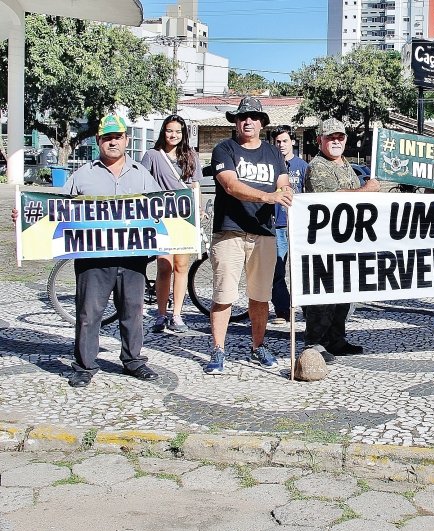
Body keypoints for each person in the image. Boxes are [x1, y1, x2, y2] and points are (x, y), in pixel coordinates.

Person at [60, 114, 162, 387]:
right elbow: (56, 209)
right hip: (92, 260)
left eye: (117, 137)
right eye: (107, 138)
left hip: (132, 259)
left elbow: (161, 210)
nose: (113, 142)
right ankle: (84, 366)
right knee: (88, 313)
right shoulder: (82, 175)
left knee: (133, 311)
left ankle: (133, 360)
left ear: (126, 140)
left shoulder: (142, 174)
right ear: (98, 141)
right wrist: (25, 216)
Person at [205, 97, 292, 375]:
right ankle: (218, 349)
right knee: (224, 295)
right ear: (236, 122)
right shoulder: (224, 149)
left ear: (262, 123)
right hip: (229, 231)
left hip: (264, 232)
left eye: (254, 117)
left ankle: (258, 346)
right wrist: (268, 196)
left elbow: (283, 183)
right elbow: (230, 185)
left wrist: (286, 193)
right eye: (242, 117)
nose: (248, 121)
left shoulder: (273, 152)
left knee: (260, 296)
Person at [302, 118, 380, 364]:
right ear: (320, 140)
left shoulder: (346, 165)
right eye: (330, 137)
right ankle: (315, 343)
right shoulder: (318, 166)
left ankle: (336, 338)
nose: (336, 141)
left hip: (347, 243)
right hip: (324, 244)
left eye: (340, 137)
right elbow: (332, 197)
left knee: (343, 293)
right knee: (322, 297)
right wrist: (367, 190)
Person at [139, 114, 202, 334]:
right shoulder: (152, 155)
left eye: (177, 131)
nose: (173, 135)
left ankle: (177, 314)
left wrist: (199, 210)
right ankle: (161, 313)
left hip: (184, 218)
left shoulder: (191, 156)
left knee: (181, 266)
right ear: (163, 132)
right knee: (164, 266)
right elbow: (142, 183)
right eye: (169, 130)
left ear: (183, 134)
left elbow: (195, 186)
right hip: (161, 218)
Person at [269, 125, 309, 324]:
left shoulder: (303, 166)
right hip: (276, 225)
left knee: (303, 270)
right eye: (277, 142)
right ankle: (282, 310)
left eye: (285, 141)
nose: (281, 145)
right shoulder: (270, 165)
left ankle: (309, 310)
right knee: (277, 270)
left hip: (298, 226)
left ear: (292, 141)